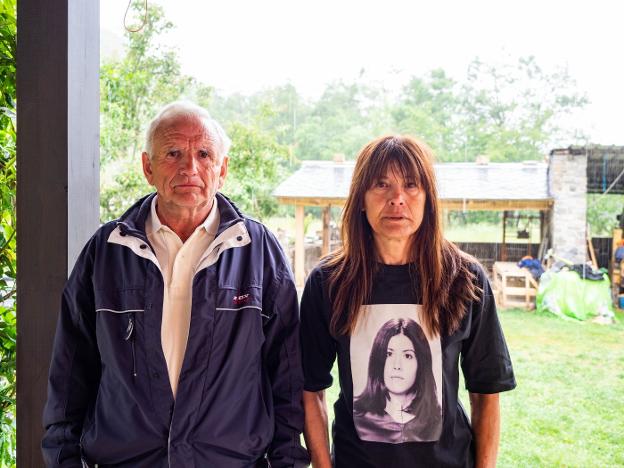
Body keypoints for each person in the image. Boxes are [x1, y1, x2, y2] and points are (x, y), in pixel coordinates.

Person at [42, 101, 309, 467]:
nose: (190, 168)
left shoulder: (258, 252)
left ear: (223, 168)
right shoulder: (107, 253)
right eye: (173, 153)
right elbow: (69, 374)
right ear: (147, 167)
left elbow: (288, 378)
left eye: (204, 154)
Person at [300, 135, 516, 467]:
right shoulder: (328, 282)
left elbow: (486, 391)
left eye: (412, 186)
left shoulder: (465, 278)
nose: (397, 199)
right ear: (361, 199)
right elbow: (310, 387)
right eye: (381, 185)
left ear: (429, 199)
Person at [353, 318, 442, 443]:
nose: (397, 365)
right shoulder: (359, 416)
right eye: (389, 354)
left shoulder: (436, 419)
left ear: (421, 363)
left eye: (407, 356)